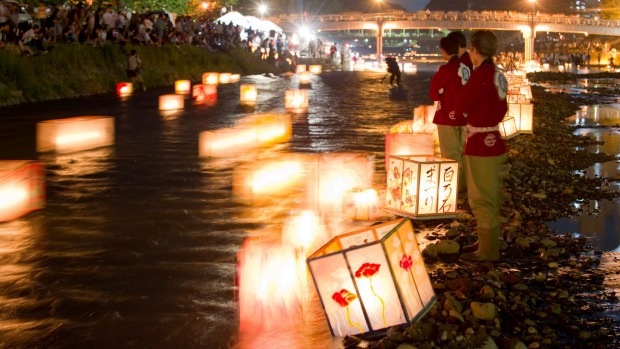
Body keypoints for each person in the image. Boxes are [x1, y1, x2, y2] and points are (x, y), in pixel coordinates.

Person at [454, 30, 508, 262]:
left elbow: (463, 102)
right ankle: (485, 241)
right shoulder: (498, 75)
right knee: (489, 194)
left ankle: (488, 251)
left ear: (474, 50)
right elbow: (503, 107)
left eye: (471, 51)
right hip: (494, 140)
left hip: (479, 144)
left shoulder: (480, 76)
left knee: (480, 197)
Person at [429, 36, 466, 198]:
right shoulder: (467, 68)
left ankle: (452, 190)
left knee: (450, 153)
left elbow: (433, 94)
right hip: (465, 116)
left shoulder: (445, 70)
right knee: (463, 151)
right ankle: (464, 185)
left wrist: (441, 92)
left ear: (444, 51)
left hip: (446, 116)